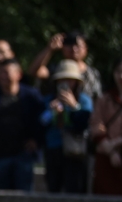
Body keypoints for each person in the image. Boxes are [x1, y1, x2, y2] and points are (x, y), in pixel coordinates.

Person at [0, 59, 44, 191]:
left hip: (24, 155)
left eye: (6, 72)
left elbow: (44, 119)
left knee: (24, 199)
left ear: (18, 74)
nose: (2, 76)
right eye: (0, 73)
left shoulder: (31, 96)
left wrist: (36, 140)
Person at [39, 60, 93, 194]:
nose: (66, 84)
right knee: (53, 188)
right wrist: (51, 112)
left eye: (70, 80)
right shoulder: (49, 100)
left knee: (75, 189)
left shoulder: (84, 100)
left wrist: (74, 107)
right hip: (53, 149)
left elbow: (86, 123)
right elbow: (40, 123)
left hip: (75, 151)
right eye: (63, 80)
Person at [90, 56, 122, 196]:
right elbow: (96, 124)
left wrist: (118, 143)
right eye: (118, 72)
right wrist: (110, 149)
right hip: (105, 155)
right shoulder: (104, 99)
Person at [28, 31, 102, 100]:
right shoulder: (56, 69)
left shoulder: (93, 74)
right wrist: (50, 48)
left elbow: (98, 99)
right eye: (69, 45)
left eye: (78, 45)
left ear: (86, 49)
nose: (74, 49)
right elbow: (34, 71)